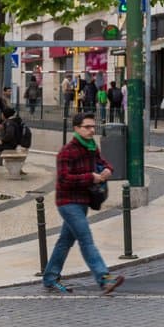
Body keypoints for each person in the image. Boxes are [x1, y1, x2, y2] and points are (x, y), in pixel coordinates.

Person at [42, 113, 124, 295]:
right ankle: (104, 278)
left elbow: (104, 162)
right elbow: (63, 179)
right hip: (67, 202)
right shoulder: (67, 151)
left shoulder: (91, 148)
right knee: (86, 240)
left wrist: (108, 170)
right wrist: (90, 177)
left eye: (93, 126)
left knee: (65, 241)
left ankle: (49, 277)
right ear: (77, 128)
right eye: (87, 127)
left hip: (83, 201)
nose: (92, 130)